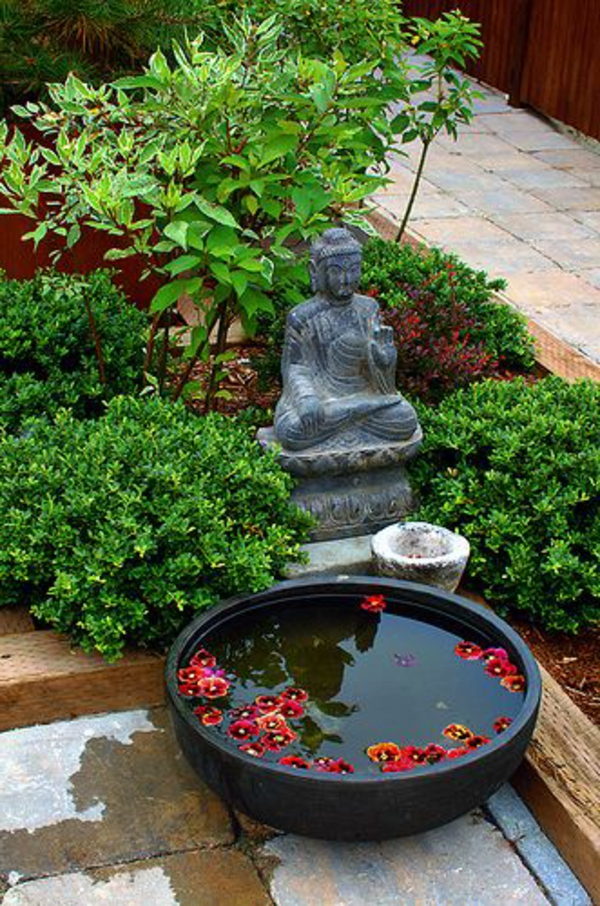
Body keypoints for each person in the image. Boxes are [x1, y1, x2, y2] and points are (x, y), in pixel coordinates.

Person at [274, 228, 418, 452]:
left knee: (405, 418)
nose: (346, 279)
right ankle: (359, 417)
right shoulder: (302, 316)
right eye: (335, 271)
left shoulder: (368, 308)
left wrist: (385, 361)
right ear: (315, 271)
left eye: (353, 270)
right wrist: (307, 399)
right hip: (322, 403)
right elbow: (296, 367)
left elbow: (381, 383)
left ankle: (354, 418)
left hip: (361, 396)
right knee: (292, 430)